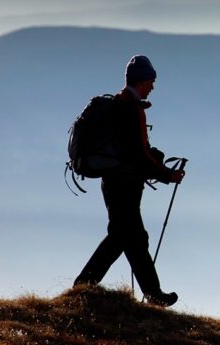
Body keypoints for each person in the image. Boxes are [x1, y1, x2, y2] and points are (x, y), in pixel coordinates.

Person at [74, 55, 185, 307]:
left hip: (113, 182)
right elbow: (138, 155)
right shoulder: (130, 109)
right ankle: (151, 294)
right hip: (124, 184)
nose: (153, 87)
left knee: (124, 237)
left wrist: (157, 166)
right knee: (130, 237)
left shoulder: (119, 105)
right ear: (143, 80)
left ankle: (85, 285)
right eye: (151, 81)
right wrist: (167, 175)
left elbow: (133, 151)